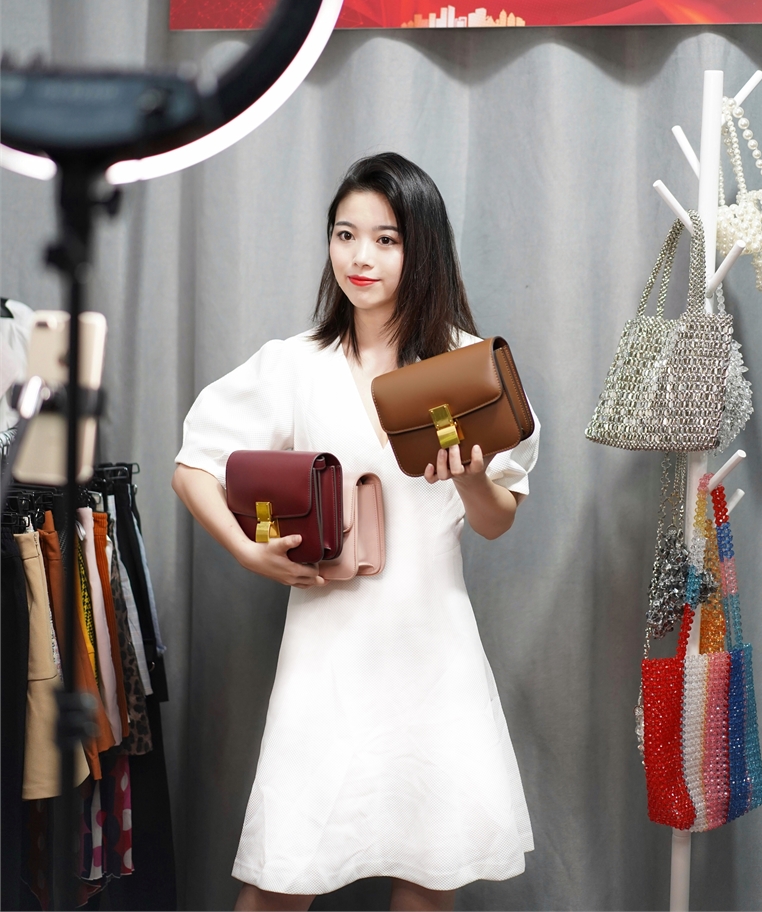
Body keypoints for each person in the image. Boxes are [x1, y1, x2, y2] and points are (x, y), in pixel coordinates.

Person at [173, 153, 540, 912]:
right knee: (280, 878)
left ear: (421, 248)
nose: (360, 257)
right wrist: (247, 551)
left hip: (431, 651)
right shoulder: (295, 364)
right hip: (325, 655)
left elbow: (496, 521)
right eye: (345, 234)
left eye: (386, 239)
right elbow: (193, 465)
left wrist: (472, 477)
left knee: (428, 878)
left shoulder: (467, 365)